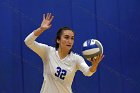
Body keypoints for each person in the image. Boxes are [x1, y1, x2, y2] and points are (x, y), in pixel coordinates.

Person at [24, 13, 104, 93]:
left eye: (72, 38)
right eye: (66, 37)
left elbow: (88, 72)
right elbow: (28, 42)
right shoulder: (48, 52)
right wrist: (41, 29)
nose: (70, 41)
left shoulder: (76, 59)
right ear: (58, 40)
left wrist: (94, 65)